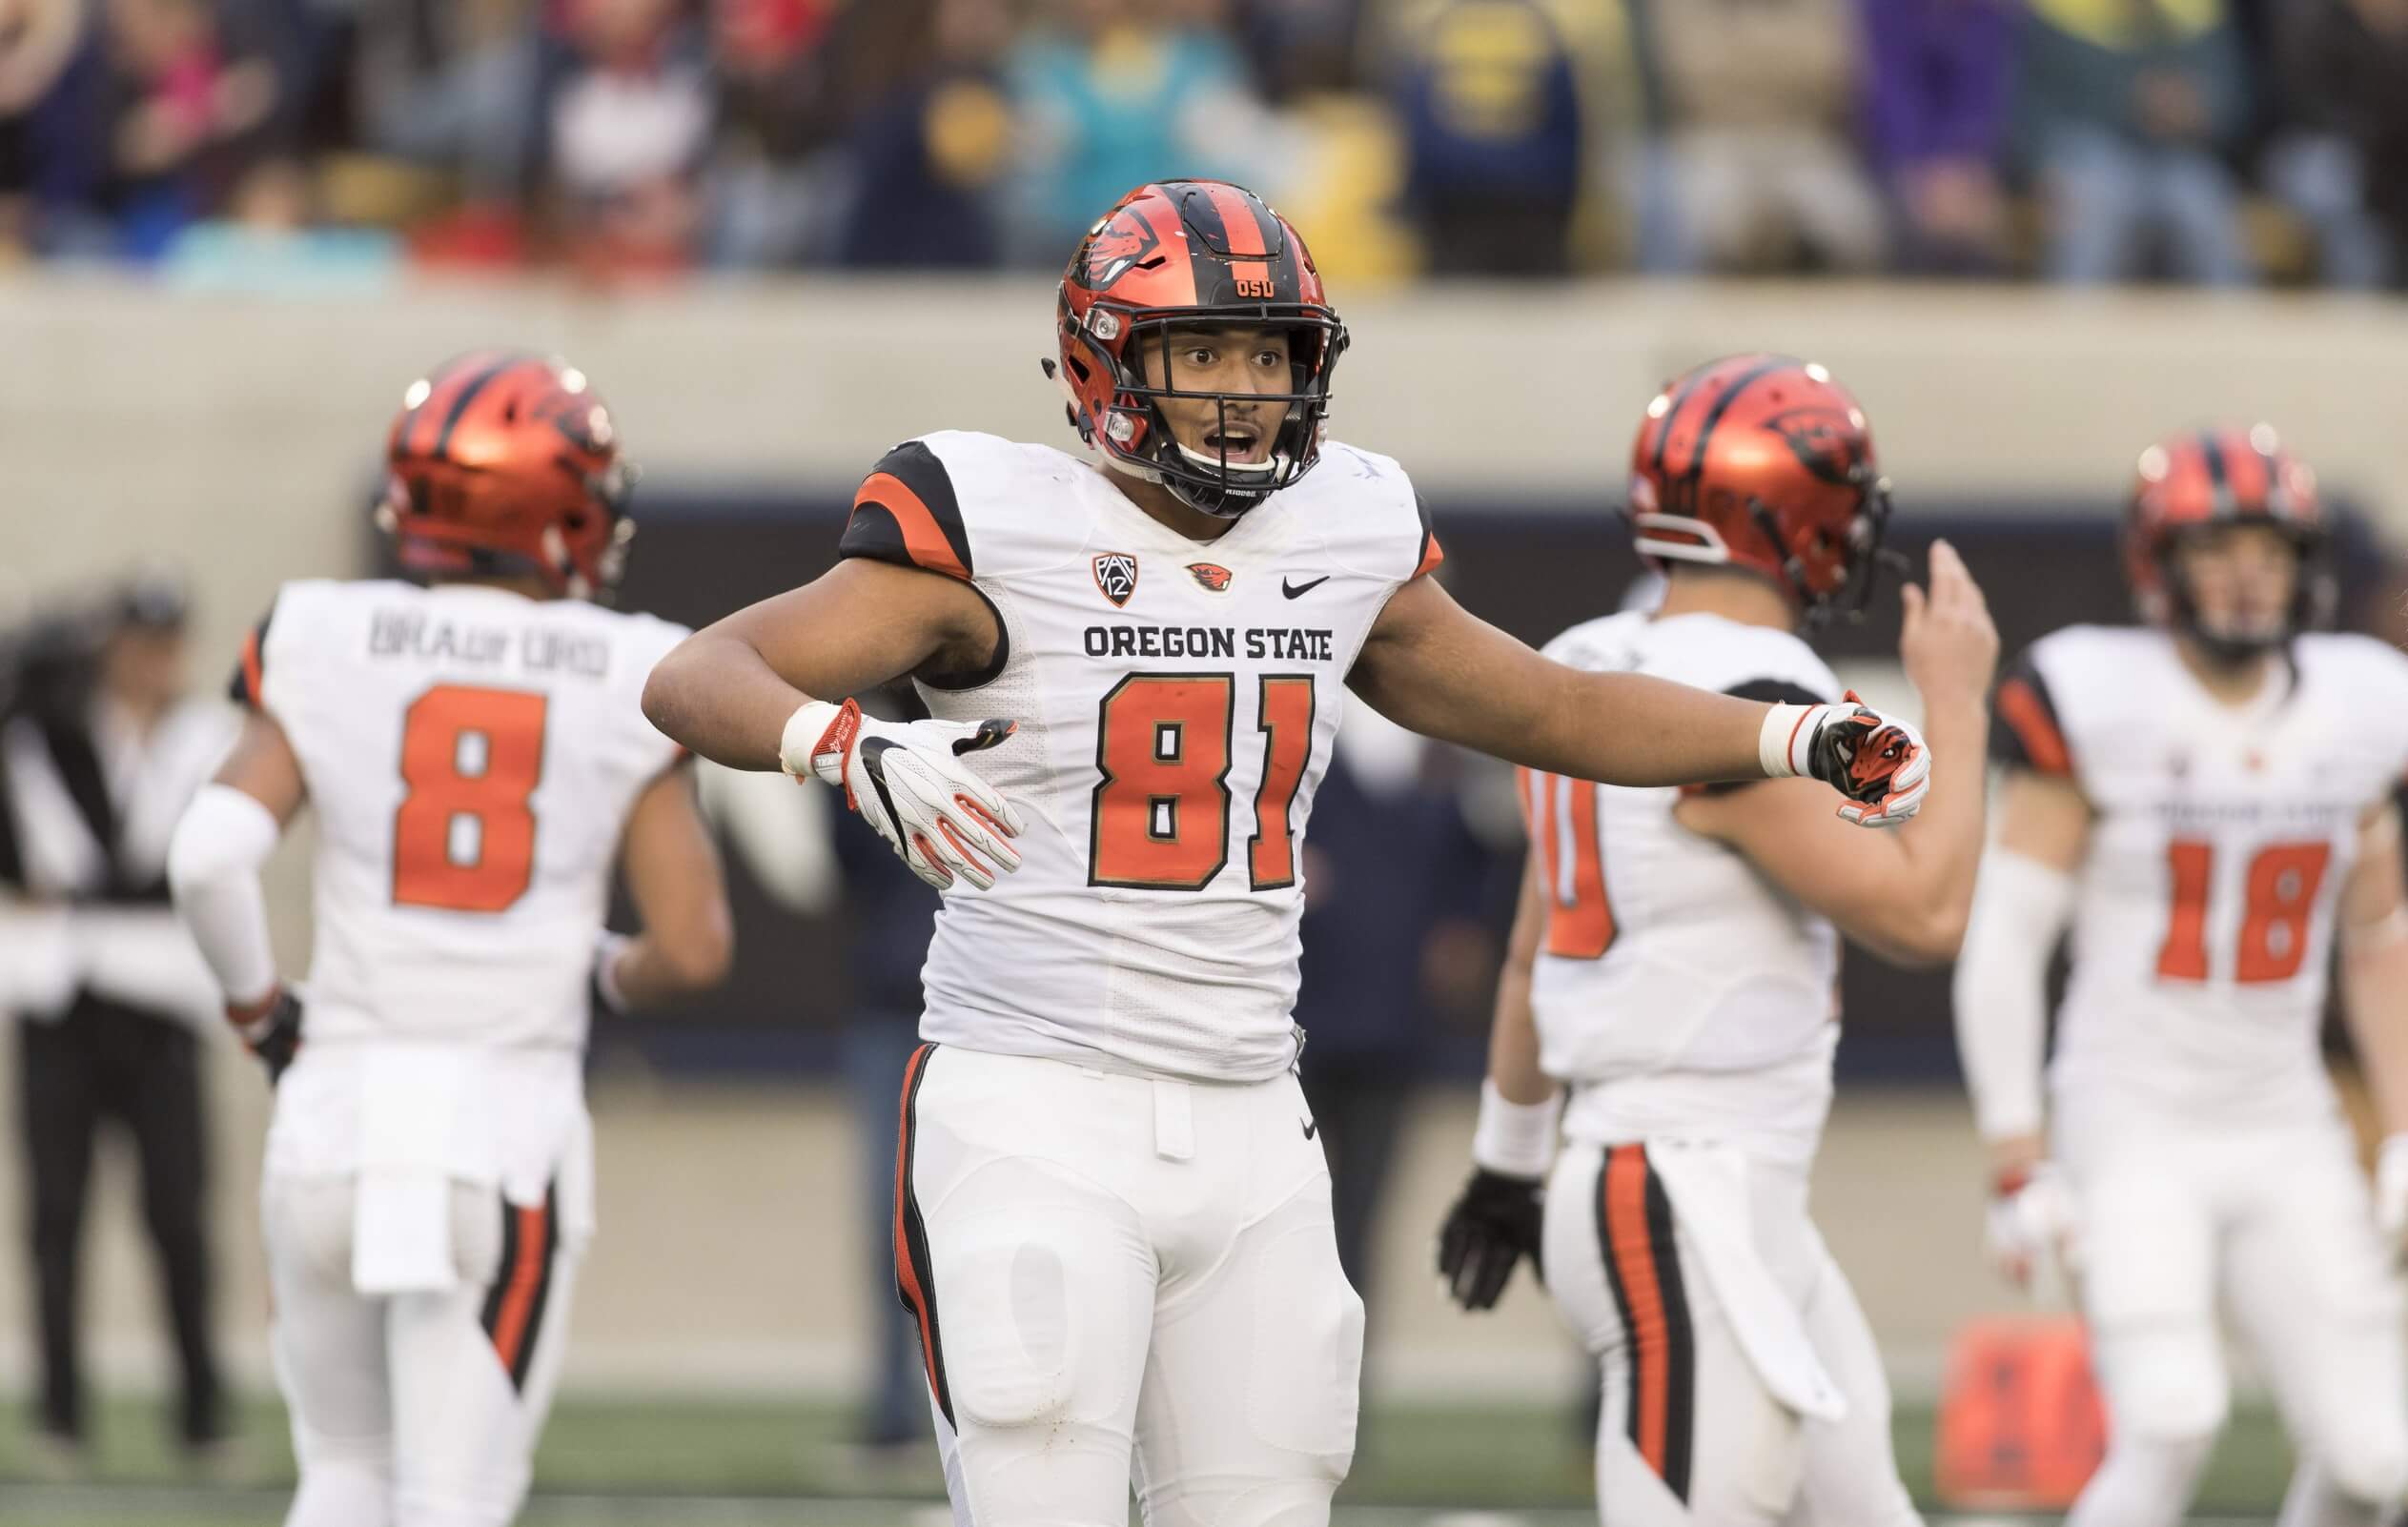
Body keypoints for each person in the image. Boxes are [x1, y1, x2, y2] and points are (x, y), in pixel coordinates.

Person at [639, 178, 1935, 1525]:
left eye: (1269, 354)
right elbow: (697, 672)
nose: (1242, 389)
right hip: (1033, 1099)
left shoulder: (1344, 525)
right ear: (1102, 357)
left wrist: (1789, 738)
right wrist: (838, 743)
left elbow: (1551, 707)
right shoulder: (987, 518)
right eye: (1201, 350)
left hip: (1255, 1113)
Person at [165, 352, 735, 1527]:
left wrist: (260, 1011)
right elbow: (691, 947)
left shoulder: (325, 629)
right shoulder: (627, 664)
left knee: (341, 1479)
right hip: (499, 1135)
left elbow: (207, 856)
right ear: (557, 509)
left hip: (328, 1126)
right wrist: (603, 970)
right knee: (454, 1503)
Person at [1435, 356, 1996, 1526]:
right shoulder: (1750, 690)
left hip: (1715, 1185)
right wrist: (1957, 698)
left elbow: (1533, 950)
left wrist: (1506, 1159)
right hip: (1679, 1180)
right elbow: (1925, 913)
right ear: (1789, 514)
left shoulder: (1588, 660)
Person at [1955, 426, 2408, 1527]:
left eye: (2270, 548)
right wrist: (2018, 1153)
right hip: (2134, 1120)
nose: (2249, 574)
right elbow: (2005, 938)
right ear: (2161, 564)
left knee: (2379, 1464)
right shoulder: (2099, 694)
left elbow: (2378, 936)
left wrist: (2400, 1131)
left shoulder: (2362, 704)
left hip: (2284, 1120)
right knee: (2169, 1418)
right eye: (2219, 548)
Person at [0, 575, 237, 1469]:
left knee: (177, 1213)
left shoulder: (204, 738)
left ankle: (201, 1416)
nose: (150, 662)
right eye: (134, 642)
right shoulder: (45, 731)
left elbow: (179, 865)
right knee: (55, 1216)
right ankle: (61, 1416)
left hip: (162, 997)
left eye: (164, 643)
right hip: (61, 995)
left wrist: (86, 892)